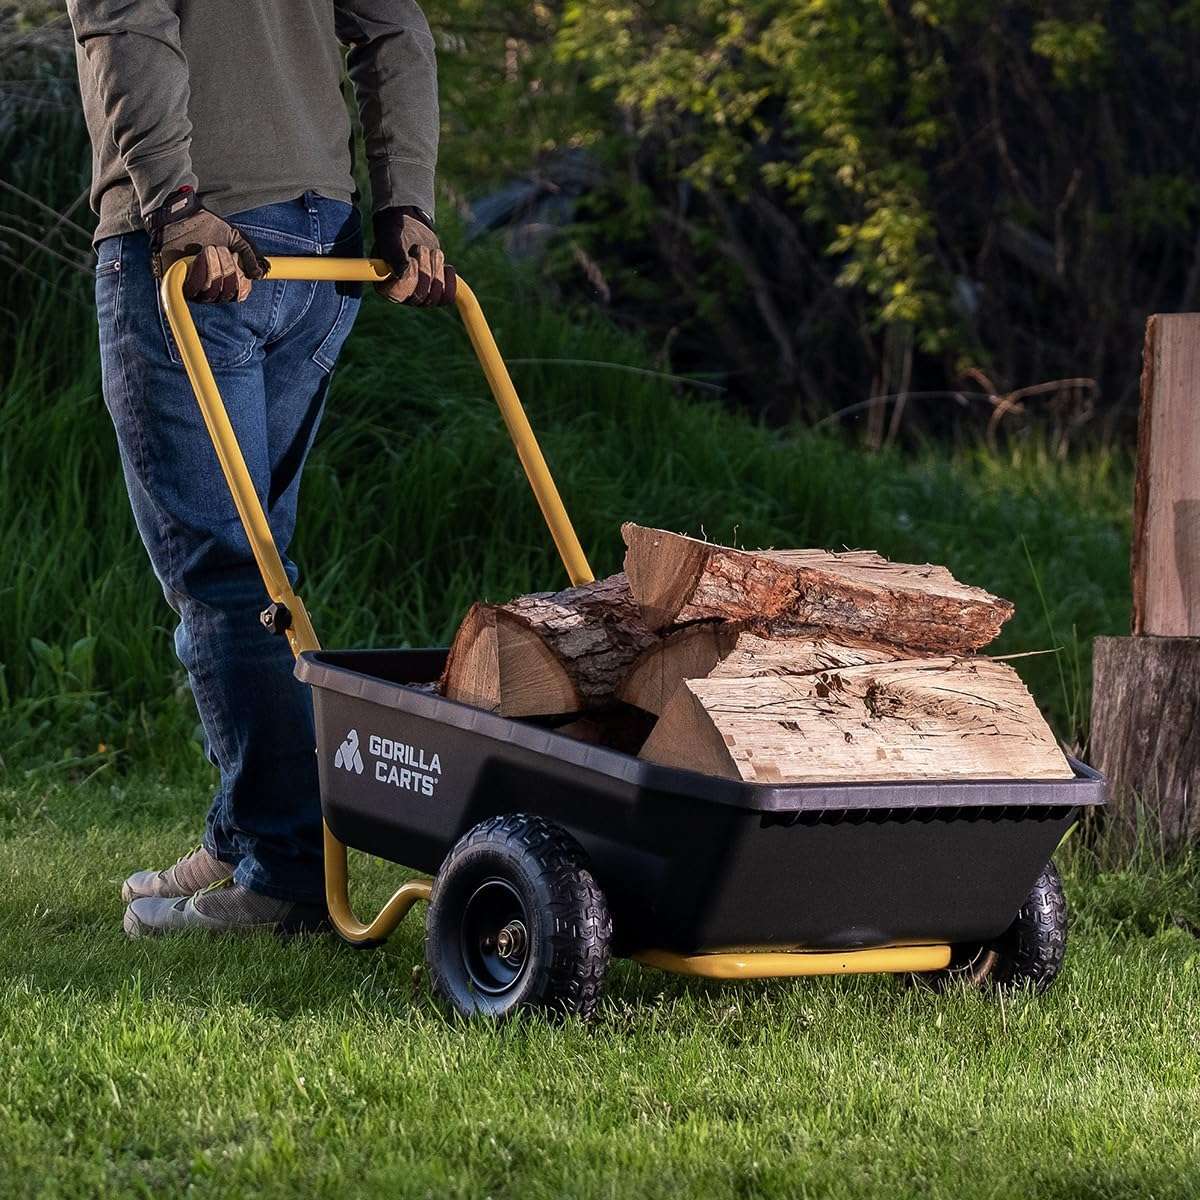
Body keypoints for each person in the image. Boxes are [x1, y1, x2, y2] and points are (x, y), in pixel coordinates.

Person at [65, 0, 455, 936]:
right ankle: (249, 830)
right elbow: (395, 26)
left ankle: (283, 872)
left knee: (227, 574)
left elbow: (128, 25)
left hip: (209, 242)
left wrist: (171, 203)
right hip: (321, 235)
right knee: (259, 562)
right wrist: (408, 199)